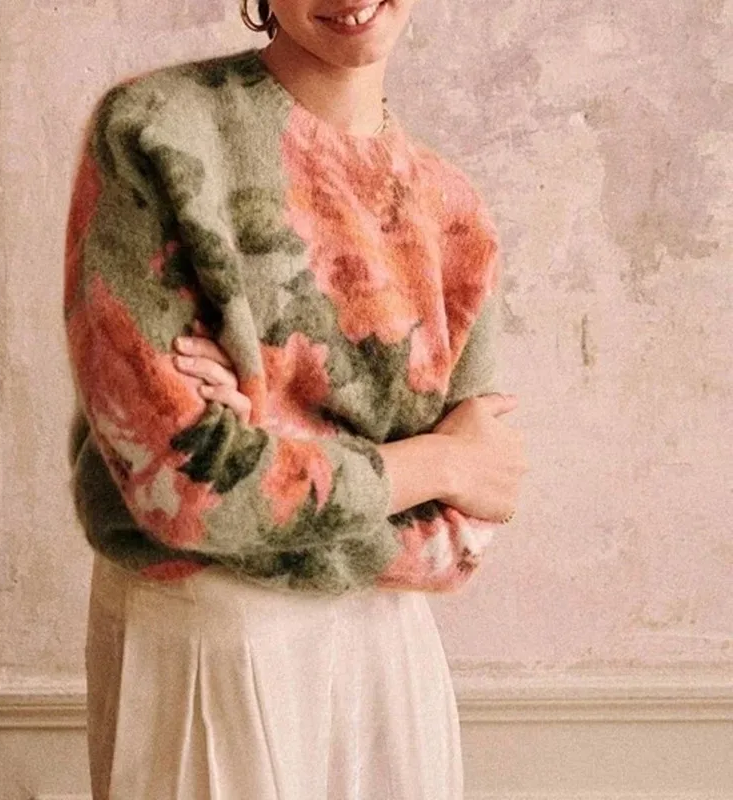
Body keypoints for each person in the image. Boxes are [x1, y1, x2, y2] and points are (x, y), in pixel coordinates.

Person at [64, 0, 527, 797]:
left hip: (387, 655)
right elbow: (185, 491)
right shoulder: (159, 132)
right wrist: (437, 462)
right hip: (214, 636)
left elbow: (463, 532)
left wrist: (268, 445)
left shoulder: (452, 210)